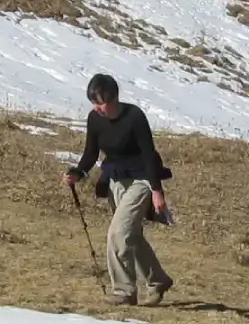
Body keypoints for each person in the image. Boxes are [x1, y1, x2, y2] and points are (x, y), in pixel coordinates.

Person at [64, 73, 173, 306]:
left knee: (118, 234)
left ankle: (123, 291)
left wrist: (156, 190)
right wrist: (79, 172)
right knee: (130, 235)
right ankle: (158, 280)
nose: (98, 108)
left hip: (142, 180)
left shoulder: (134, 117)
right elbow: (91, 152)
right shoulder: (94, 119)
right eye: (94, 102)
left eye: (102, 102)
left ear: (115, 98)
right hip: (116, 181)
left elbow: (148, 155)